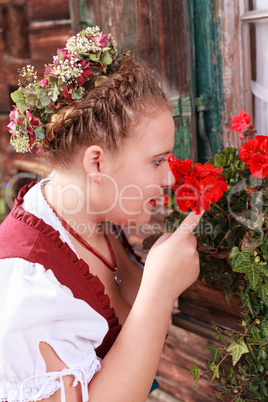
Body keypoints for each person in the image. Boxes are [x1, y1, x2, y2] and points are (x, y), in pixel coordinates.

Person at [0, 27, 201, 402]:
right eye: (157, 160)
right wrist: (158, 293)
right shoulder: (26, 278)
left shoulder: (99, 215)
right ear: (96, 162)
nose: (170, 176)